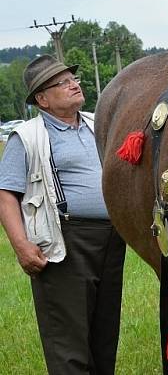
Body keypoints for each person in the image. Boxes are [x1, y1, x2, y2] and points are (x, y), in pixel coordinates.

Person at [0, 55, 125, 374]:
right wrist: (21, 246)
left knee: (104, 334)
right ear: (42, 99)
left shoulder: (98, 122)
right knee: (67, 341)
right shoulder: (26, 136)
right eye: (62, 82)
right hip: (64, 240)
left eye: (73, 78)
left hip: (112, 239)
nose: (74, 84)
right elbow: (5, 195)